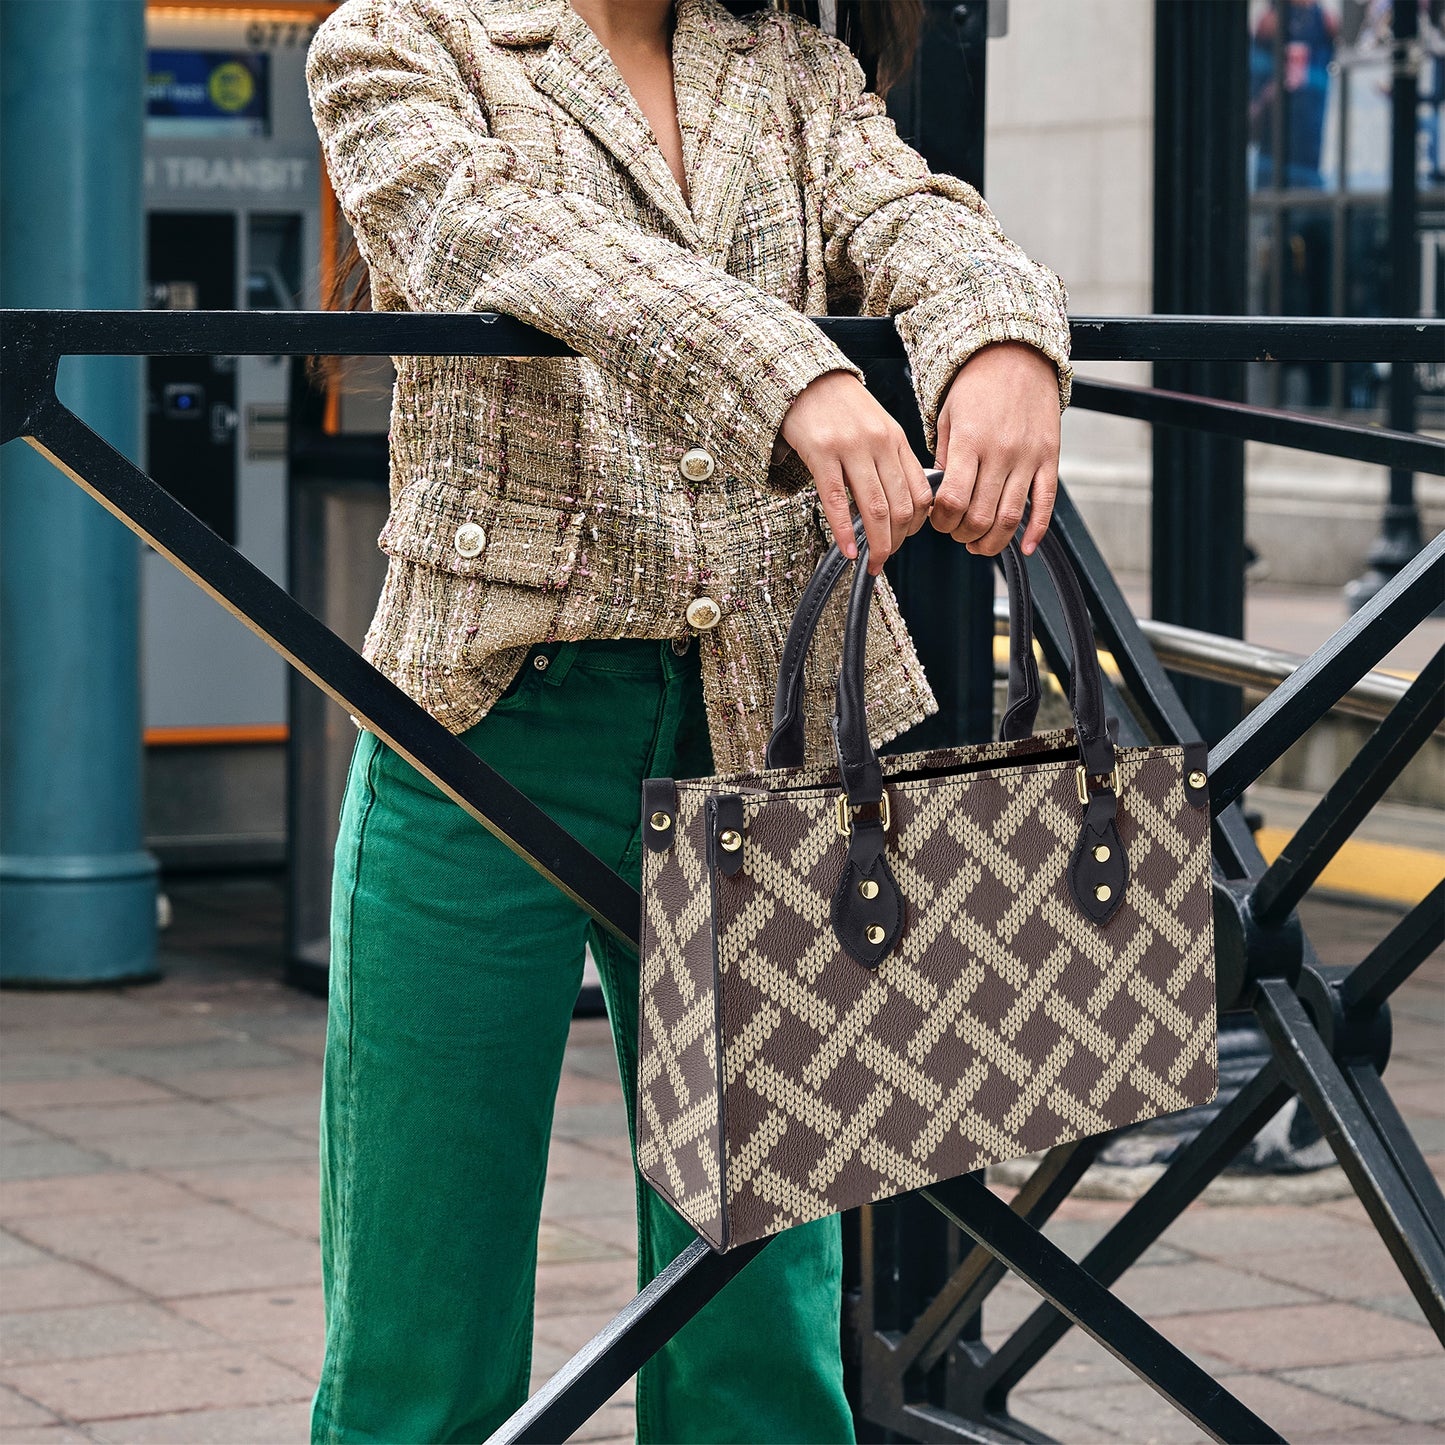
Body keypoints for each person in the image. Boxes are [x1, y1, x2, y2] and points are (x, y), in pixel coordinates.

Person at [302, 0, 1072, 1439]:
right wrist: (797, 372)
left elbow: (912, 215)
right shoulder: (398, 38)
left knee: (760, 1328)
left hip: (763, 721)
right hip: (486, 726)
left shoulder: (784, 60)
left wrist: (1000, 340)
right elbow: (504, 235)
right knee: (422, 1306)